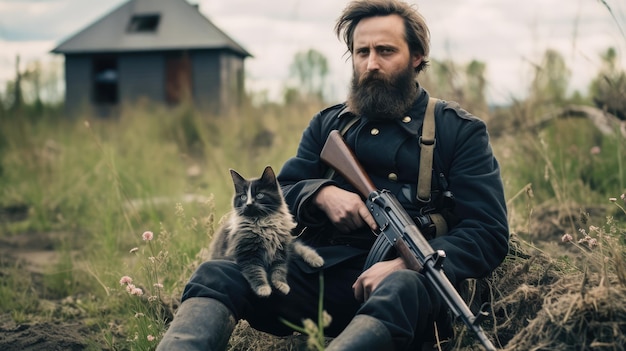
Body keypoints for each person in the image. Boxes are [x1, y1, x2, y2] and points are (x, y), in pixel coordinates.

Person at [157, 0, 509, 350]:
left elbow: (488, 231)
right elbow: (280, 191)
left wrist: (411, 262)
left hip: (407, 290)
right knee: (219, 273)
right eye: (362, 52)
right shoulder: (329, 125)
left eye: (386, 51)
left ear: (416, 56)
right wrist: (321, 194)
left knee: (400, 288)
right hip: (320, 277)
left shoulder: (457, 131)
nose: (371, 64)